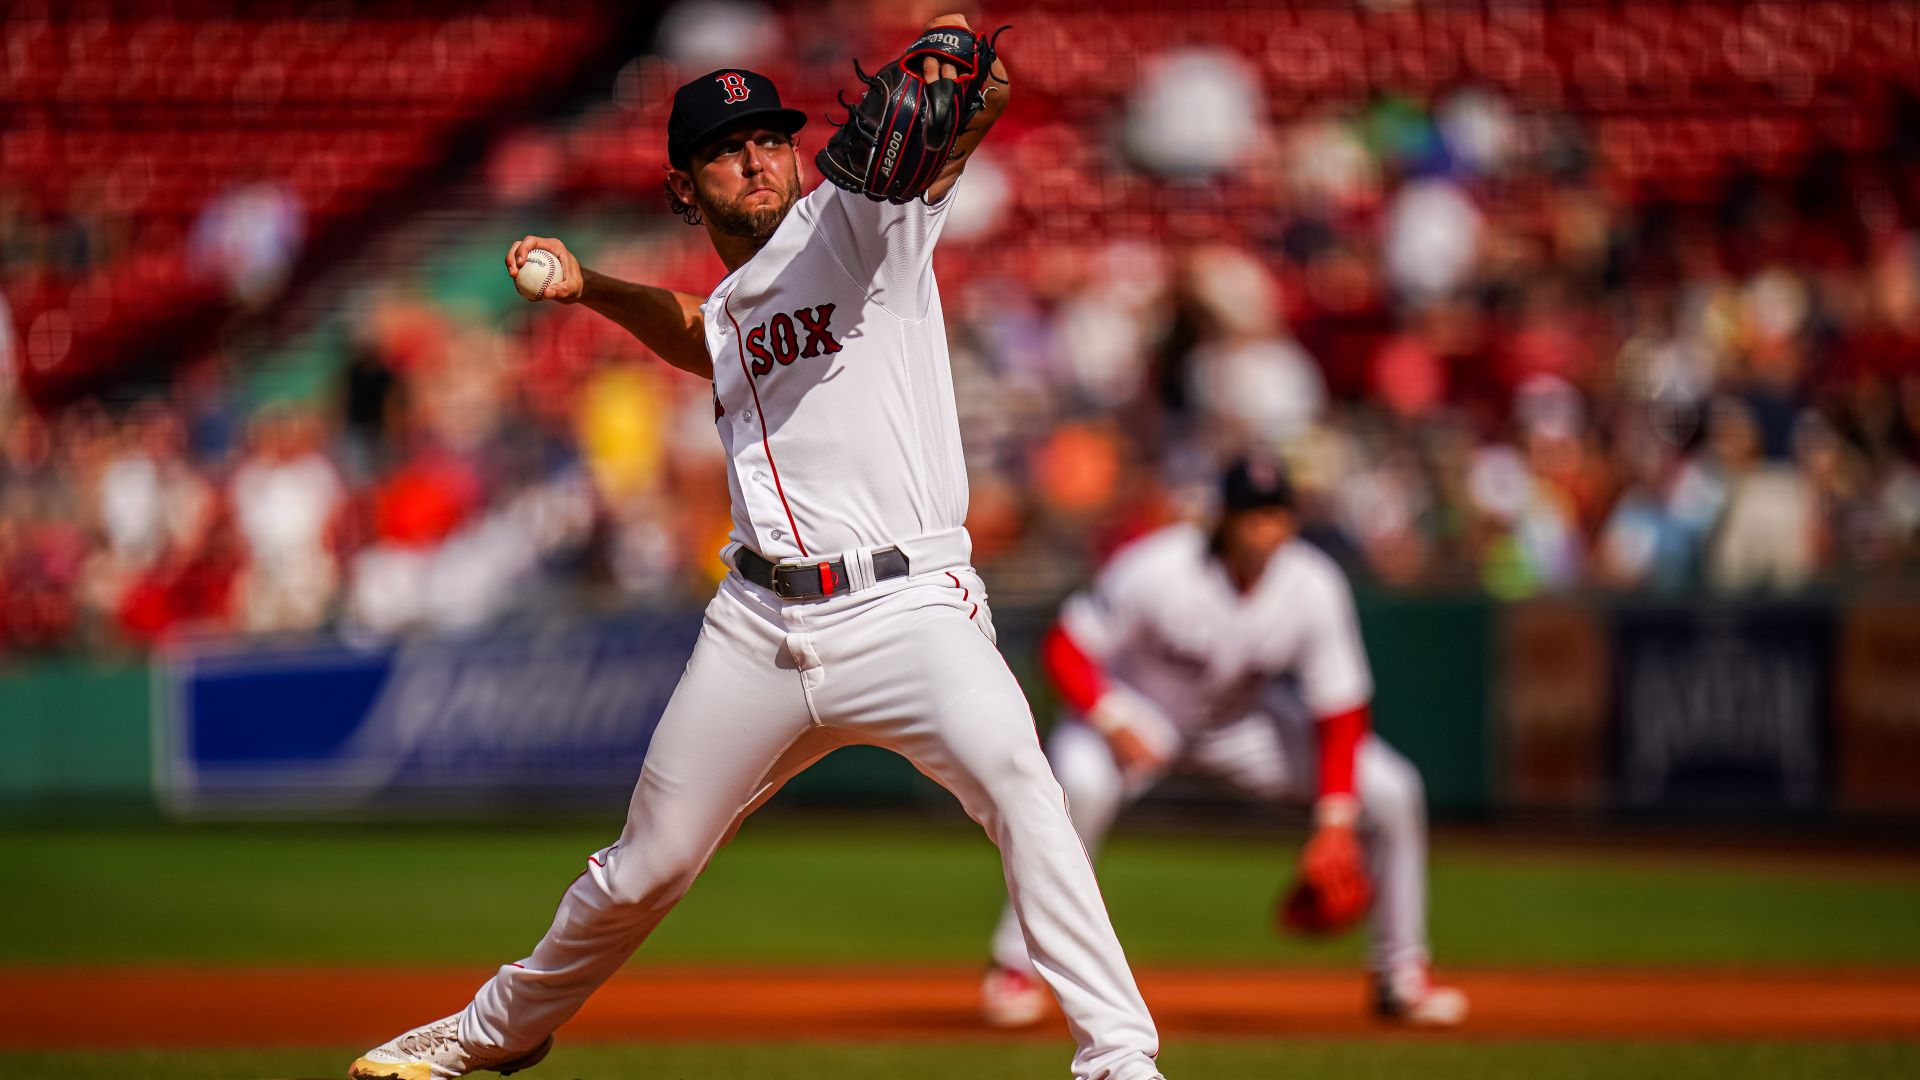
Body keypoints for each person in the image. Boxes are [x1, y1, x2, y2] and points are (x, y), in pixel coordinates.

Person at [350, 16, 1169, 1080]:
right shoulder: (734, 309)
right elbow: (706, 333)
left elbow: (978, 102)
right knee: (646, 869)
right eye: (729, 148)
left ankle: (1120, 1059)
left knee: (1022, 779)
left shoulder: (866, 220)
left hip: (908, 608)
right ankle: (492, 1031)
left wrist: (964, 61)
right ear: (686, 187)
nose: (758, 156)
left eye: (771, 137)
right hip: (759, 628)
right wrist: (590, 287)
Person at [981, 457, 1469, 1030]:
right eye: (1251, 514)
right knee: (1077, 790)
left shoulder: (1312, 584)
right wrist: (1111, 717)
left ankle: (1400, 975)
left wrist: (1335, 820)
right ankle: (1015, 965)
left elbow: (1341, 709)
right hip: (1140, 712)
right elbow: (1065, 645)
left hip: (1240, 725)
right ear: (1224, 519)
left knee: (1391, 790)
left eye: (1275, 513)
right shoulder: (1159, 567)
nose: (1264, 527)